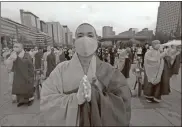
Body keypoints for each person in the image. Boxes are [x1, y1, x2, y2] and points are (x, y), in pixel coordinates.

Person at [40, 23, 131, 126]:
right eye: (80, 35)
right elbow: (47, 100)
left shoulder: (109, 70)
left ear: (97, 40)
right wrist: (75, 99)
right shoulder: (60, 70)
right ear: (74, 42)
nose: (85, 39)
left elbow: (123, 102)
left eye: (90, 35)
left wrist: (96, 96)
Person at [5, 42, 34, 107]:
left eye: (17, 47)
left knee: (27, 88)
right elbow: (9, 64)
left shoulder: (27, 55)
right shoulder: (13, 55)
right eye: (14, 46)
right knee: (19, 88)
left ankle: (29, 100)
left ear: (21, 48)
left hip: (26, 75)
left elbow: (26, 62)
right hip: (18, 75)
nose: (15, 48)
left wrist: (17, 59)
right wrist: (10, 60)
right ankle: (22, 101)